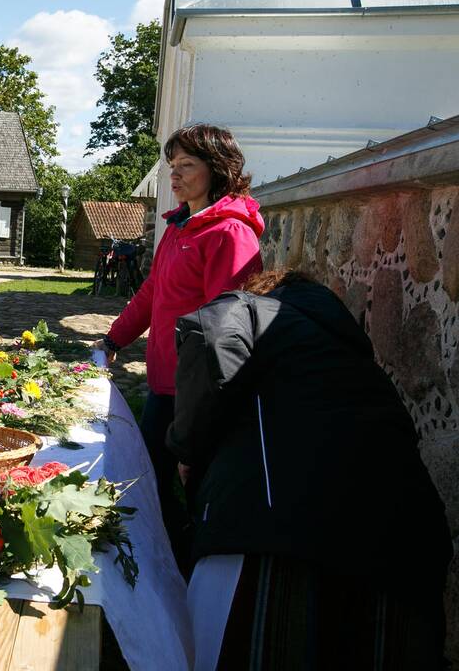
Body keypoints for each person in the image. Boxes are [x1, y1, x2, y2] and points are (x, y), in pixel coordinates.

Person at [170, 270, 451, 670]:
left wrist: (188, 451)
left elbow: (213, 331)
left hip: (271, 542)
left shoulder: (257, 308)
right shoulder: (355, 363)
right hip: (404, 554)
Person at [93, 124, 264, 569]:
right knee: (146, 479)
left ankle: (196, 580)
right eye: (172, 165)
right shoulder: (180, 226)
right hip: (165, 387)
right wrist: (115, 338)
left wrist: (199, 430)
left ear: (218, 169)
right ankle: (154, 566)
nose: (175, 174)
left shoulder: (229, 234)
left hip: (201, 395)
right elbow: (153, 292)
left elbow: (226, 334)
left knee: (198, 491)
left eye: (188, 165)